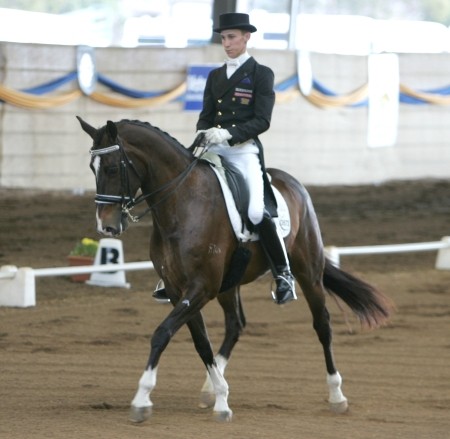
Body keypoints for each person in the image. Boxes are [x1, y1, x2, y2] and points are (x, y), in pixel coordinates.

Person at [153, 12, 296, 305]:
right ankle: (173, 271)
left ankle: (283, 275)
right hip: (213, 149)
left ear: (246, 37)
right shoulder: (216, 76)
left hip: (243, 151)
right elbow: (205, 116)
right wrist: (205, 134)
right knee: (185, 196)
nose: (227, 43)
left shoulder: (261, 74)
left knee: (256, 212)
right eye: (223, 38)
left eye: (232, 37)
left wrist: (227, 134)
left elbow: (262, 121)